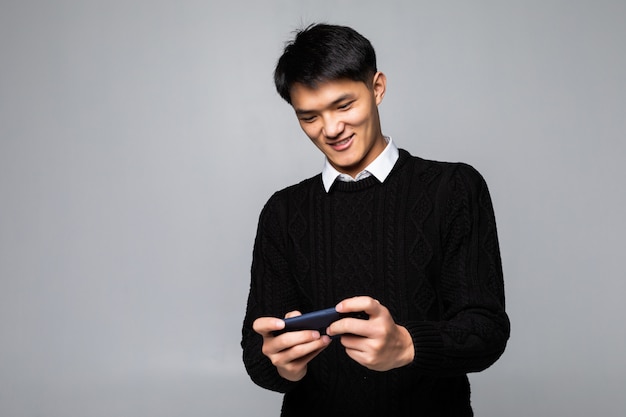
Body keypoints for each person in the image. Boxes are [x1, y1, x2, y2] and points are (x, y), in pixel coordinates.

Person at [241, 23, 510, 416]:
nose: (331, 129)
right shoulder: (281, 213)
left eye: (344, 105)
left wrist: (406, 345)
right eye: (309, 117)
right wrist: (281, 364)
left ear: (377, 87)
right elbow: (256, 355)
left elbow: (487, 329)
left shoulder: (453, 189)